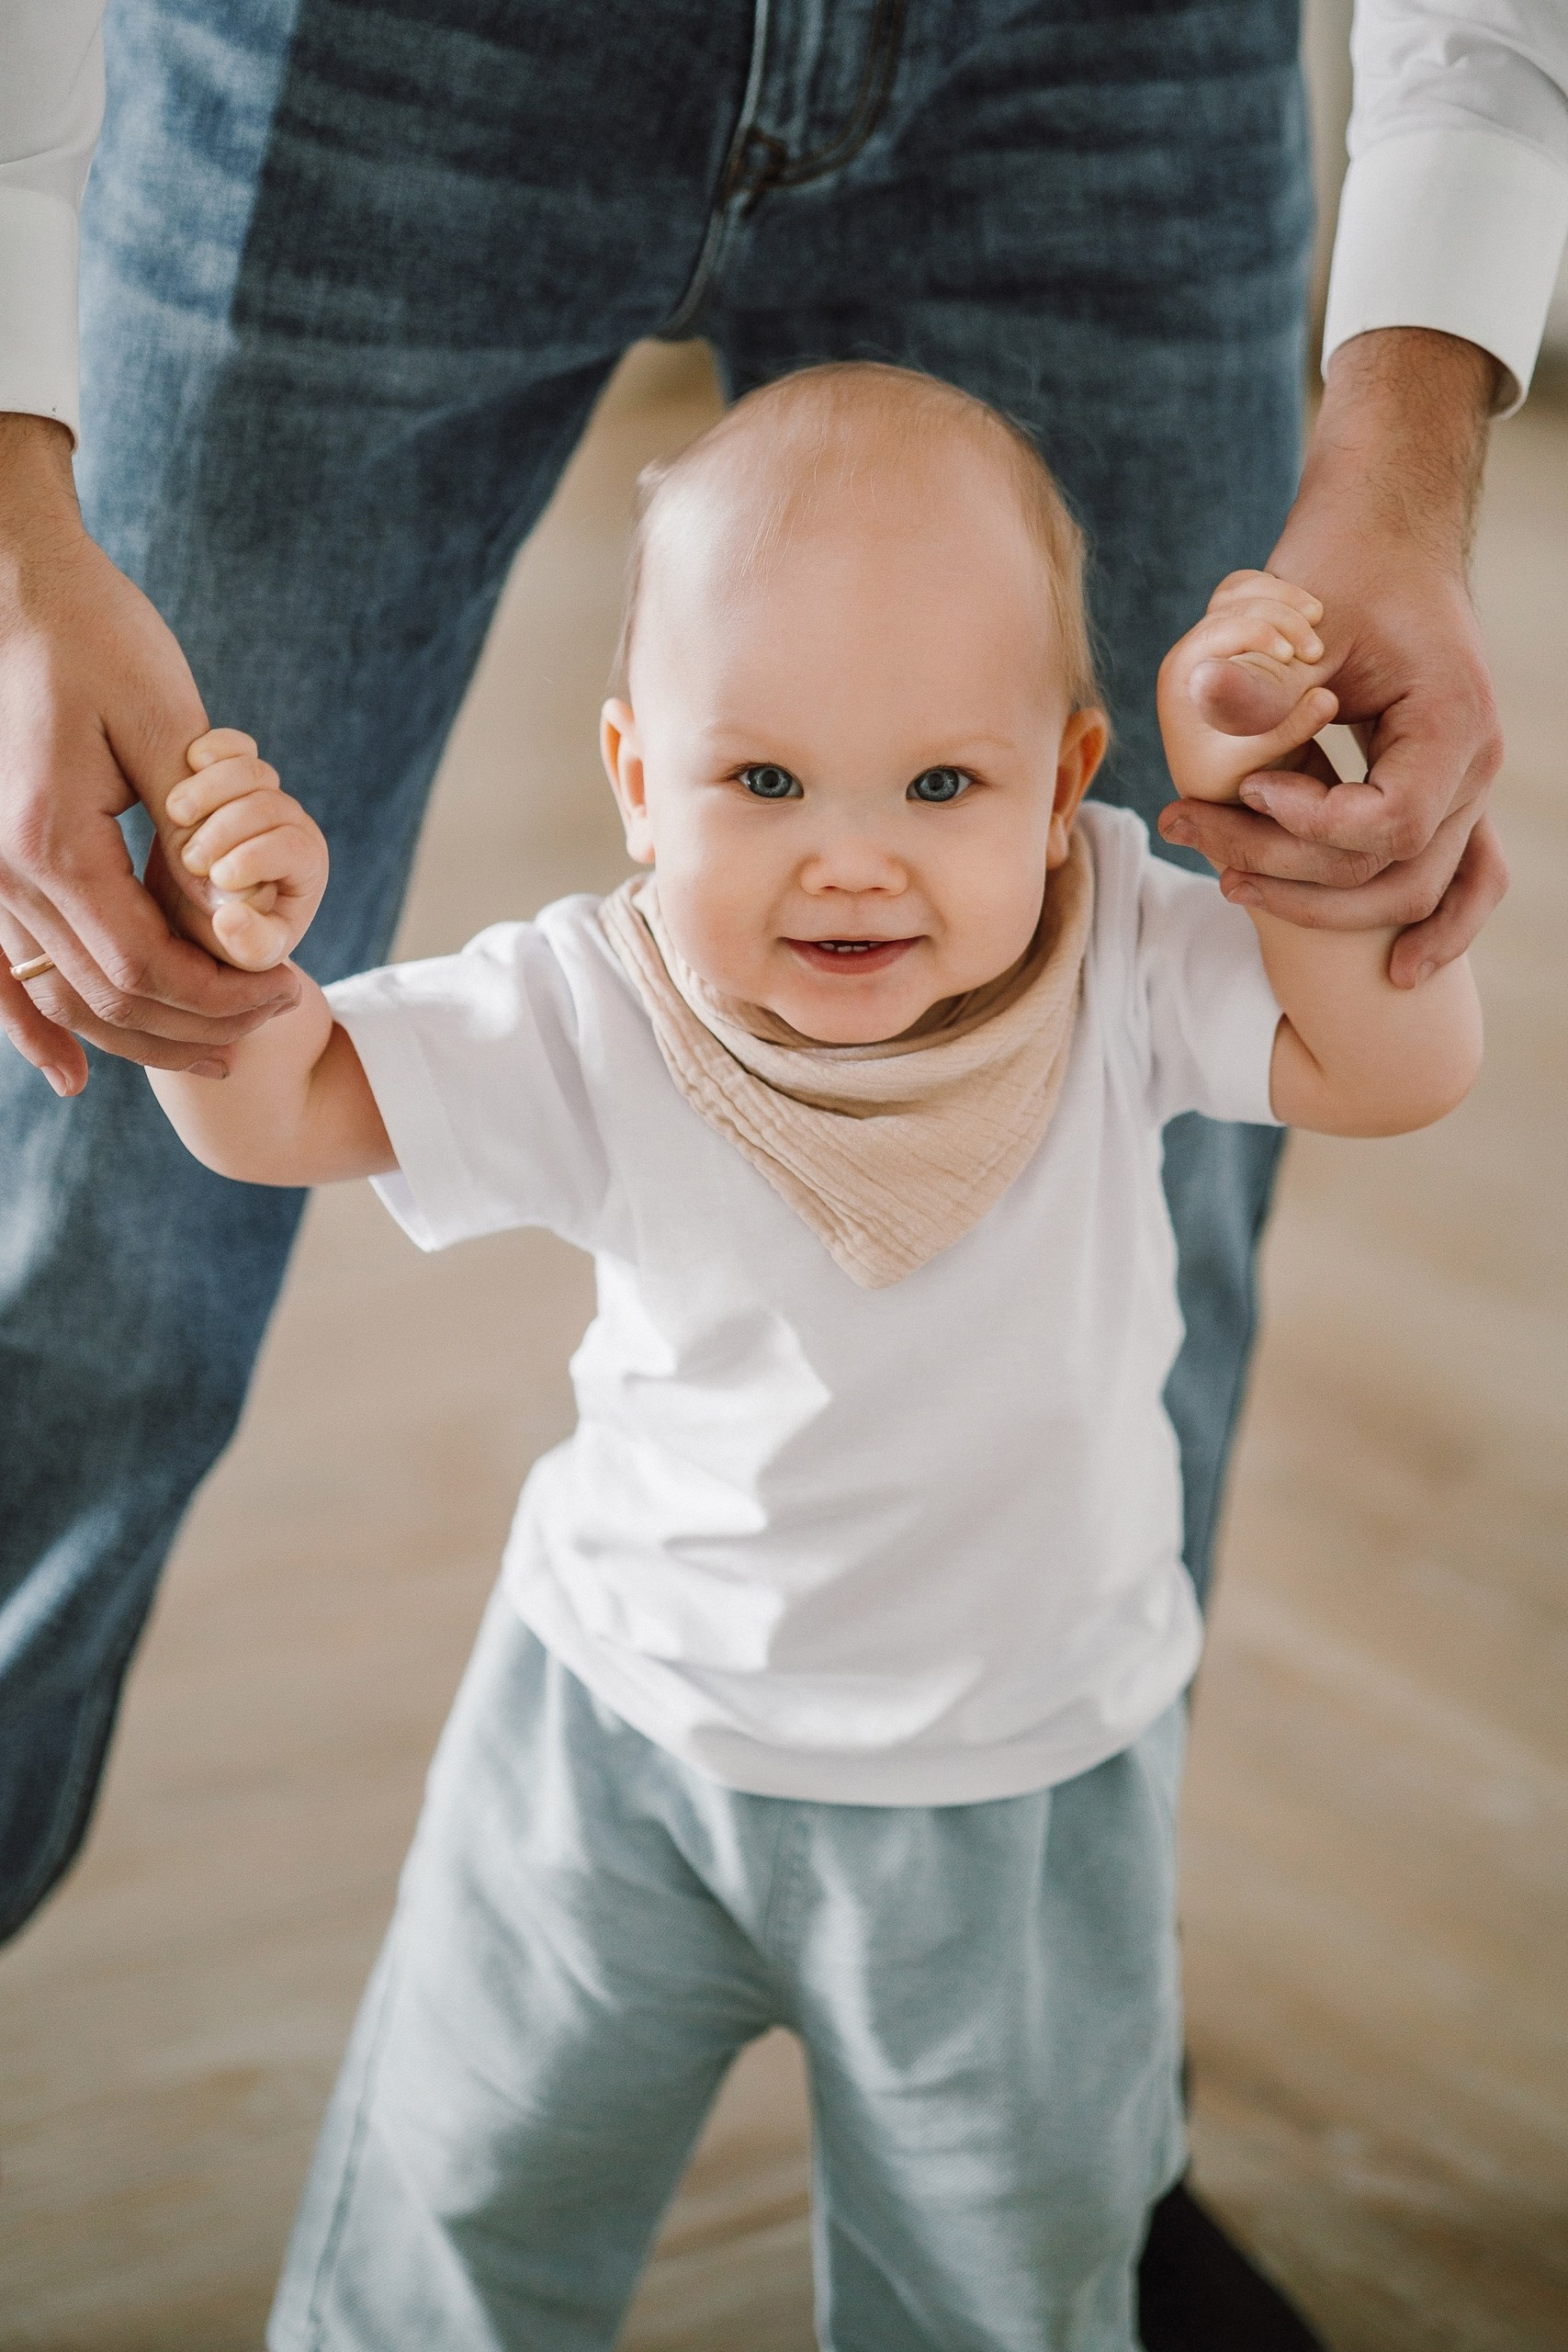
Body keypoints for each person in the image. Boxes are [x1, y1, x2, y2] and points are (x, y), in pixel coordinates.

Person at [0, 2, 1562, 2337]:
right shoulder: (590, 986)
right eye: (759, 784)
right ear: (631, 772)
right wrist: (229, 972)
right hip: (602, 1749)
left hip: (1017, 1801)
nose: (849, 864)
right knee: (447, 2234)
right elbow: (276, 1111)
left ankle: (1099, 2187)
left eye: (938, 788)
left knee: (990, 2286)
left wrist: (1330, 856)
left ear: (1069, 776)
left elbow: (1390, 1066)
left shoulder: (1132, 940)